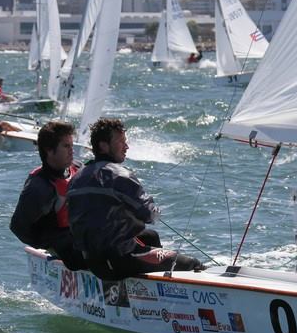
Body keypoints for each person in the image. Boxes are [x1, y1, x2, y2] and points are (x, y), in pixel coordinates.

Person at [68, 118, 204, 280]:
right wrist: (153, 210)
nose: (126, 146)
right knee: (191, 264)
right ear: (103, 146)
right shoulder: (120, 175)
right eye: (121, 142)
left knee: (150, 236)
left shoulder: (76, 178)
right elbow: (149, 215)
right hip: (122, 260)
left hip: (93, 262)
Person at [10, 121, 87, 271]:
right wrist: (50, 245)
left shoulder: (78, 169)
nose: (72, 151)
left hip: (84, 234)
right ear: (49, 150)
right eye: (66, 146)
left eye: (72, 145)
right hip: (67, 248)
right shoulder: (39, 187)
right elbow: (18, 227)